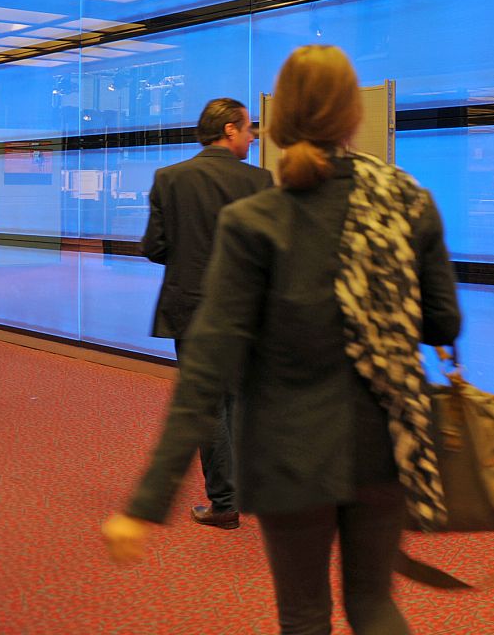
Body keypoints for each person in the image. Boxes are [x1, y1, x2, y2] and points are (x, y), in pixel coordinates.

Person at [104, 45, 462, 635]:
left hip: (289, 452)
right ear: (353, 116)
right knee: (373, 604)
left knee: (303, 615)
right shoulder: (407, 200)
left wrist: (148, 500)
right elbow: (442, 322)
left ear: (280, 121)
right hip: (384, 438)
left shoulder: (257, 219)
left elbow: (206, 370)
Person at [141, 97, 272, 528]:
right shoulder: (260, 182)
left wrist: (189, 254)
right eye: (249, 129)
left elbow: (154, 247)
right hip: (245, 309)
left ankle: (225, 502)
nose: (252, 137)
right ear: (229, 129)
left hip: (191, 307)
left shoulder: (170, 179)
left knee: (210, 406)